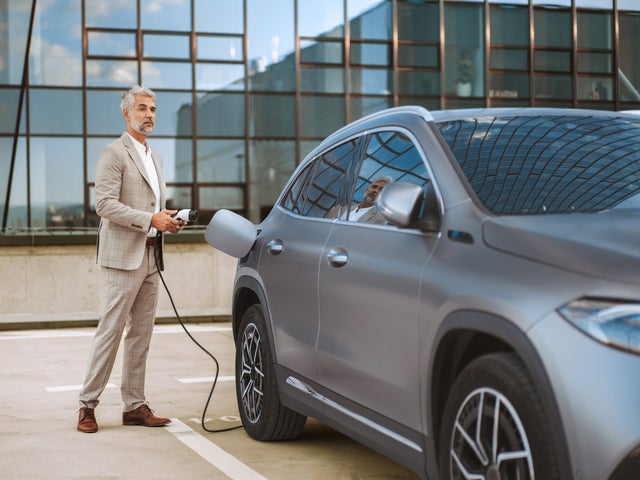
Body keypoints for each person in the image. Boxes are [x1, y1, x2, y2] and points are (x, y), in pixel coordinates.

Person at [77, 85, 184, 433]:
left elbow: (149, 207)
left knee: (142, 335)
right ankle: (87, 405)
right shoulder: (113, 153)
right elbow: (104, 205)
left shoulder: (156, 159)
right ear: (127, 113)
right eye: (142, 108)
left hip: (152, 257)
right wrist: (149, 219)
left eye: (152, 109)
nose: (149, 114)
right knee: (111, 331)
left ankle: (134, 405)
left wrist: (165, 218)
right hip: (123, 258)